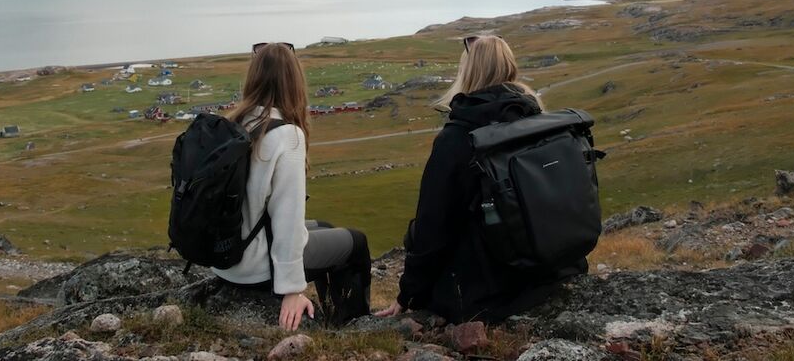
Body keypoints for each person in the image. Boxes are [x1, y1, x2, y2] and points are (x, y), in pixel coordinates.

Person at [376, 35, 584, 323]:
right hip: (551, 271)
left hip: (488, 293)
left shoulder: (458, 138)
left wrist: (408, 296)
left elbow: (432, 228)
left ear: (468, 72)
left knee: (415, 232)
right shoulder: (537, 120)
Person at [213, 42, 371, 329]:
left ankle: (330, 312)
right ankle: (350, 326)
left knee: (325, 226)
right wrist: (292, 290)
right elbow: (287, 218)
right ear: (294, 81)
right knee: (356, 243)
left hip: (226, 258)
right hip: (256, 266)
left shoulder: (235, 123)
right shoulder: (287, 135)